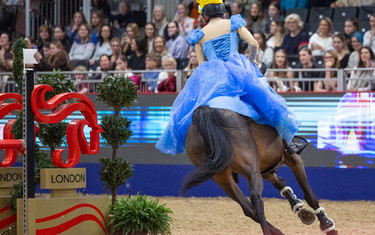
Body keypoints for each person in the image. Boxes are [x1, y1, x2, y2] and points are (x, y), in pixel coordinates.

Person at [156, 0, 307, 156]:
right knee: (266, 98)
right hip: (239, 69)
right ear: (222, 12)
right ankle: (288, 143)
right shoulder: (233, 23)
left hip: (215, 77)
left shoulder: (199, 35)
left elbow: (202, 66)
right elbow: (253, 43)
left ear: (205, 16)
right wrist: (252, 61)